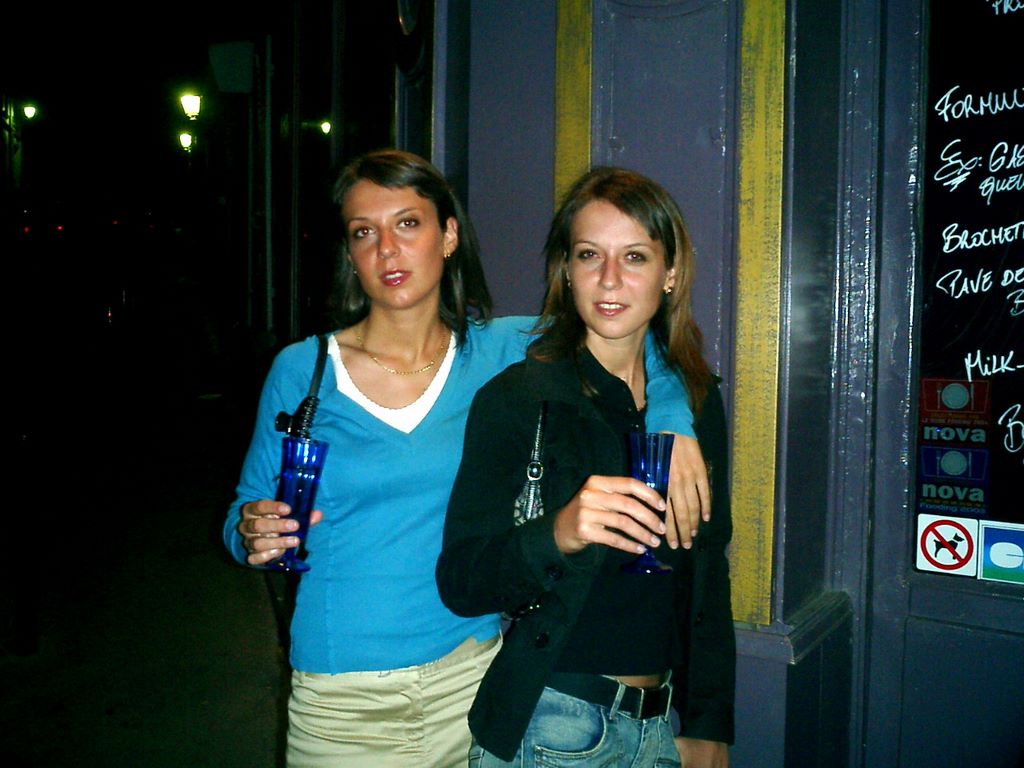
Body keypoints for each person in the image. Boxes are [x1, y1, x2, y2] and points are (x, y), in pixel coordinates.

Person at [223, 149, 712, 767]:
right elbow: (244, 512)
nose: (387, 250)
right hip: (342, 693)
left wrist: (673, 420)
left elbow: (626, 327)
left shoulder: (502, 350)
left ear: (448, 235)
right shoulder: (305, 371)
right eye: (364, 233)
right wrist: (250, 532)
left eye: (408, 223)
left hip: (474, 679)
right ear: (349, 252)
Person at [437, 166, 735, 767]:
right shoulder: (518, 399)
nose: (609, 278)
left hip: (658, 728)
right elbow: (462, 581)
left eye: (635, 257)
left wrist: (709, 721)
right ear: (567, 271)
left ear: (670, 274)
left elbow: (709, 569)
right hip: (553, 722)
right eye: (589, 254)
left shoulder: (695, 404)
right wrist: (559, 533)